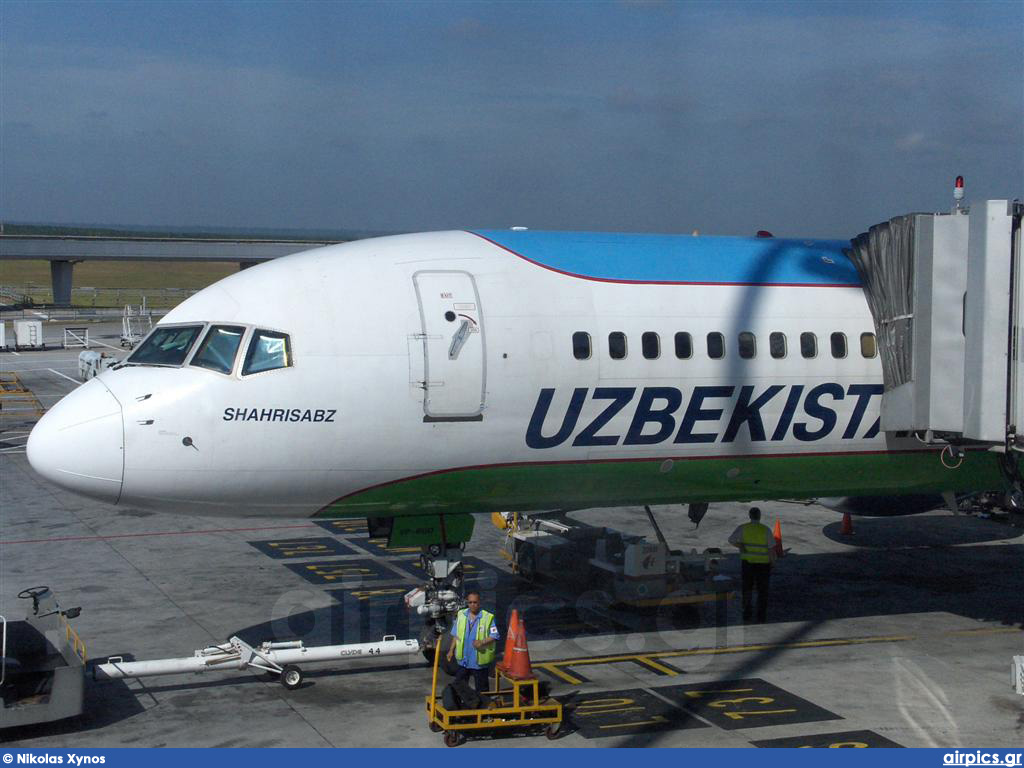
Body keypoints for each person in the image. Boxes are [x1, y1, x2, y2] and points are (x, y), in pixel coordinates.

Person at [728, 507, 776, 623]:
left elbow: (731, 540)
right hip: (763, 565)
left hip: (748, 564)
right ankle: (761, 616)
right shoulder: (766, 530)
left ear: (750, 516)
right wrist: (773, 563)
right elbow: (771, 549)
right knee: (762, 591)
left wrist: (740, 546)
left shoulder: (743, 528)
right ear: (759, 516)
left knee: (747, 589)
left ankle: (747, 613)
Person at [446, 592, 500, 695]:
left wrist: (482, 642)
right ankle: (464, 705)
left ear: (479, 603)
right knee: (459, 686)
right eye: (470, 602)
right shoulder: (461, 615)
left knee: (482, 690)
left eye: (475, 602)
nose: (472, 605)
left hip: (478, 662)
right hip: (464, 660)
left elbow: (495, 635)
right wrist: (451, 650)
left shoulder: (487, 617)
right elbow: (456, 635)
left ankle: (483, 707)